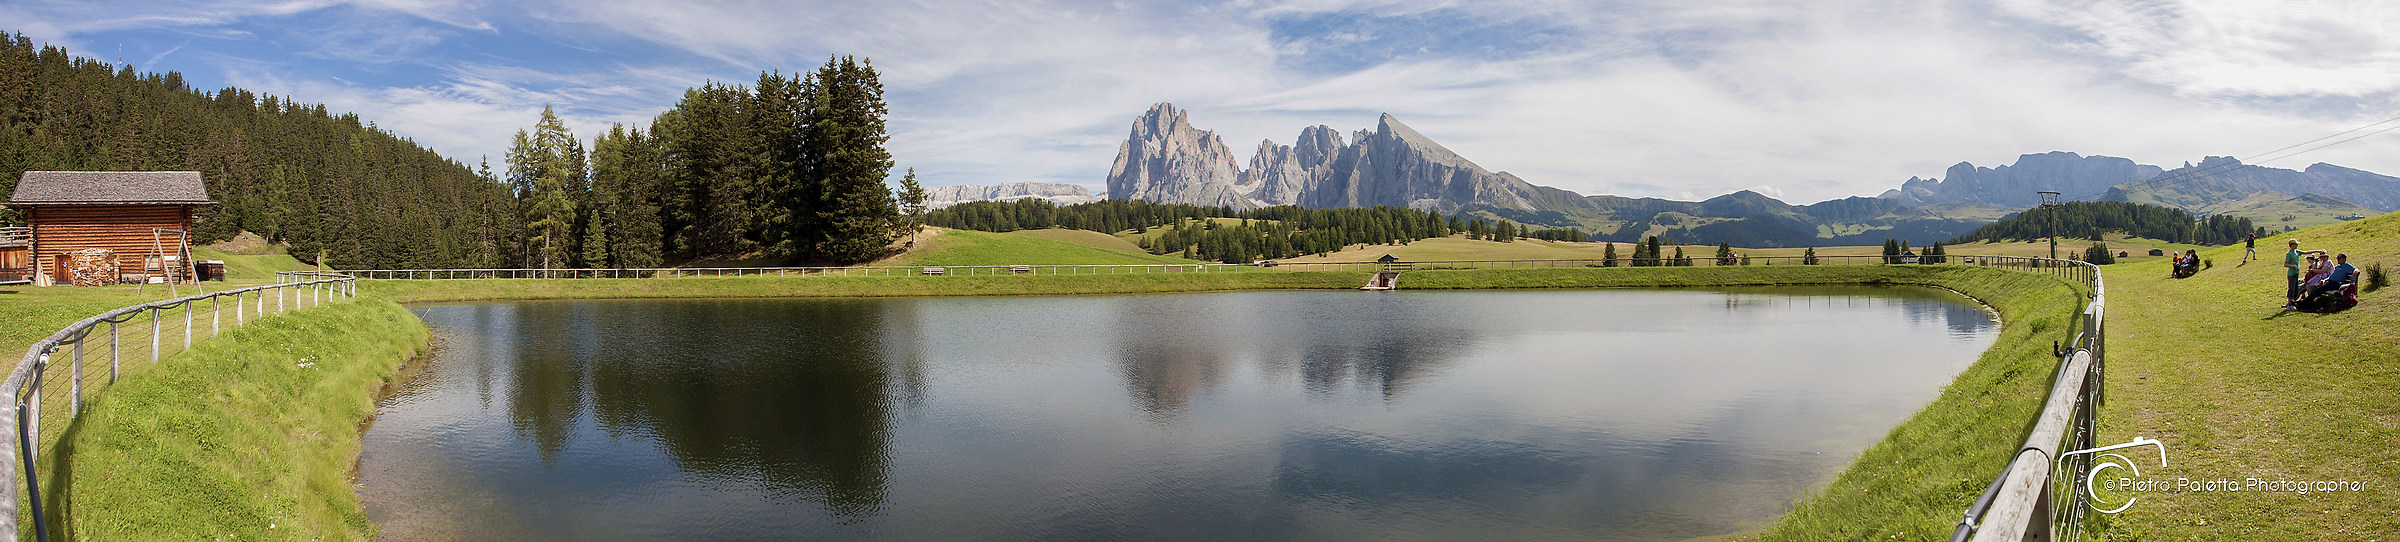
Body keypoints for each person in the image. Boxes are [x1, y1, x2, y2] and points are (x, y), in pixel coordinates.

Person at [2284, 239, 2304, 309]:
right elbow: (2285, 264)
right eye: (2296, 244)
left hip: (2296, 273)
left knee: (2295, 288)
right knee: (2291, 288)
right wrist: (2294, 266)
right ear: (2292, 245)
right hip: (2291, 274)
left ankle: (2293, 302)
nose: (2297, 245)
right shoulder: (2289, 254)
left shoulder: (2296, 252)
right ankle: (2289, 303)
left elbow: (2306, 252)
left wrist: (2317, 251)